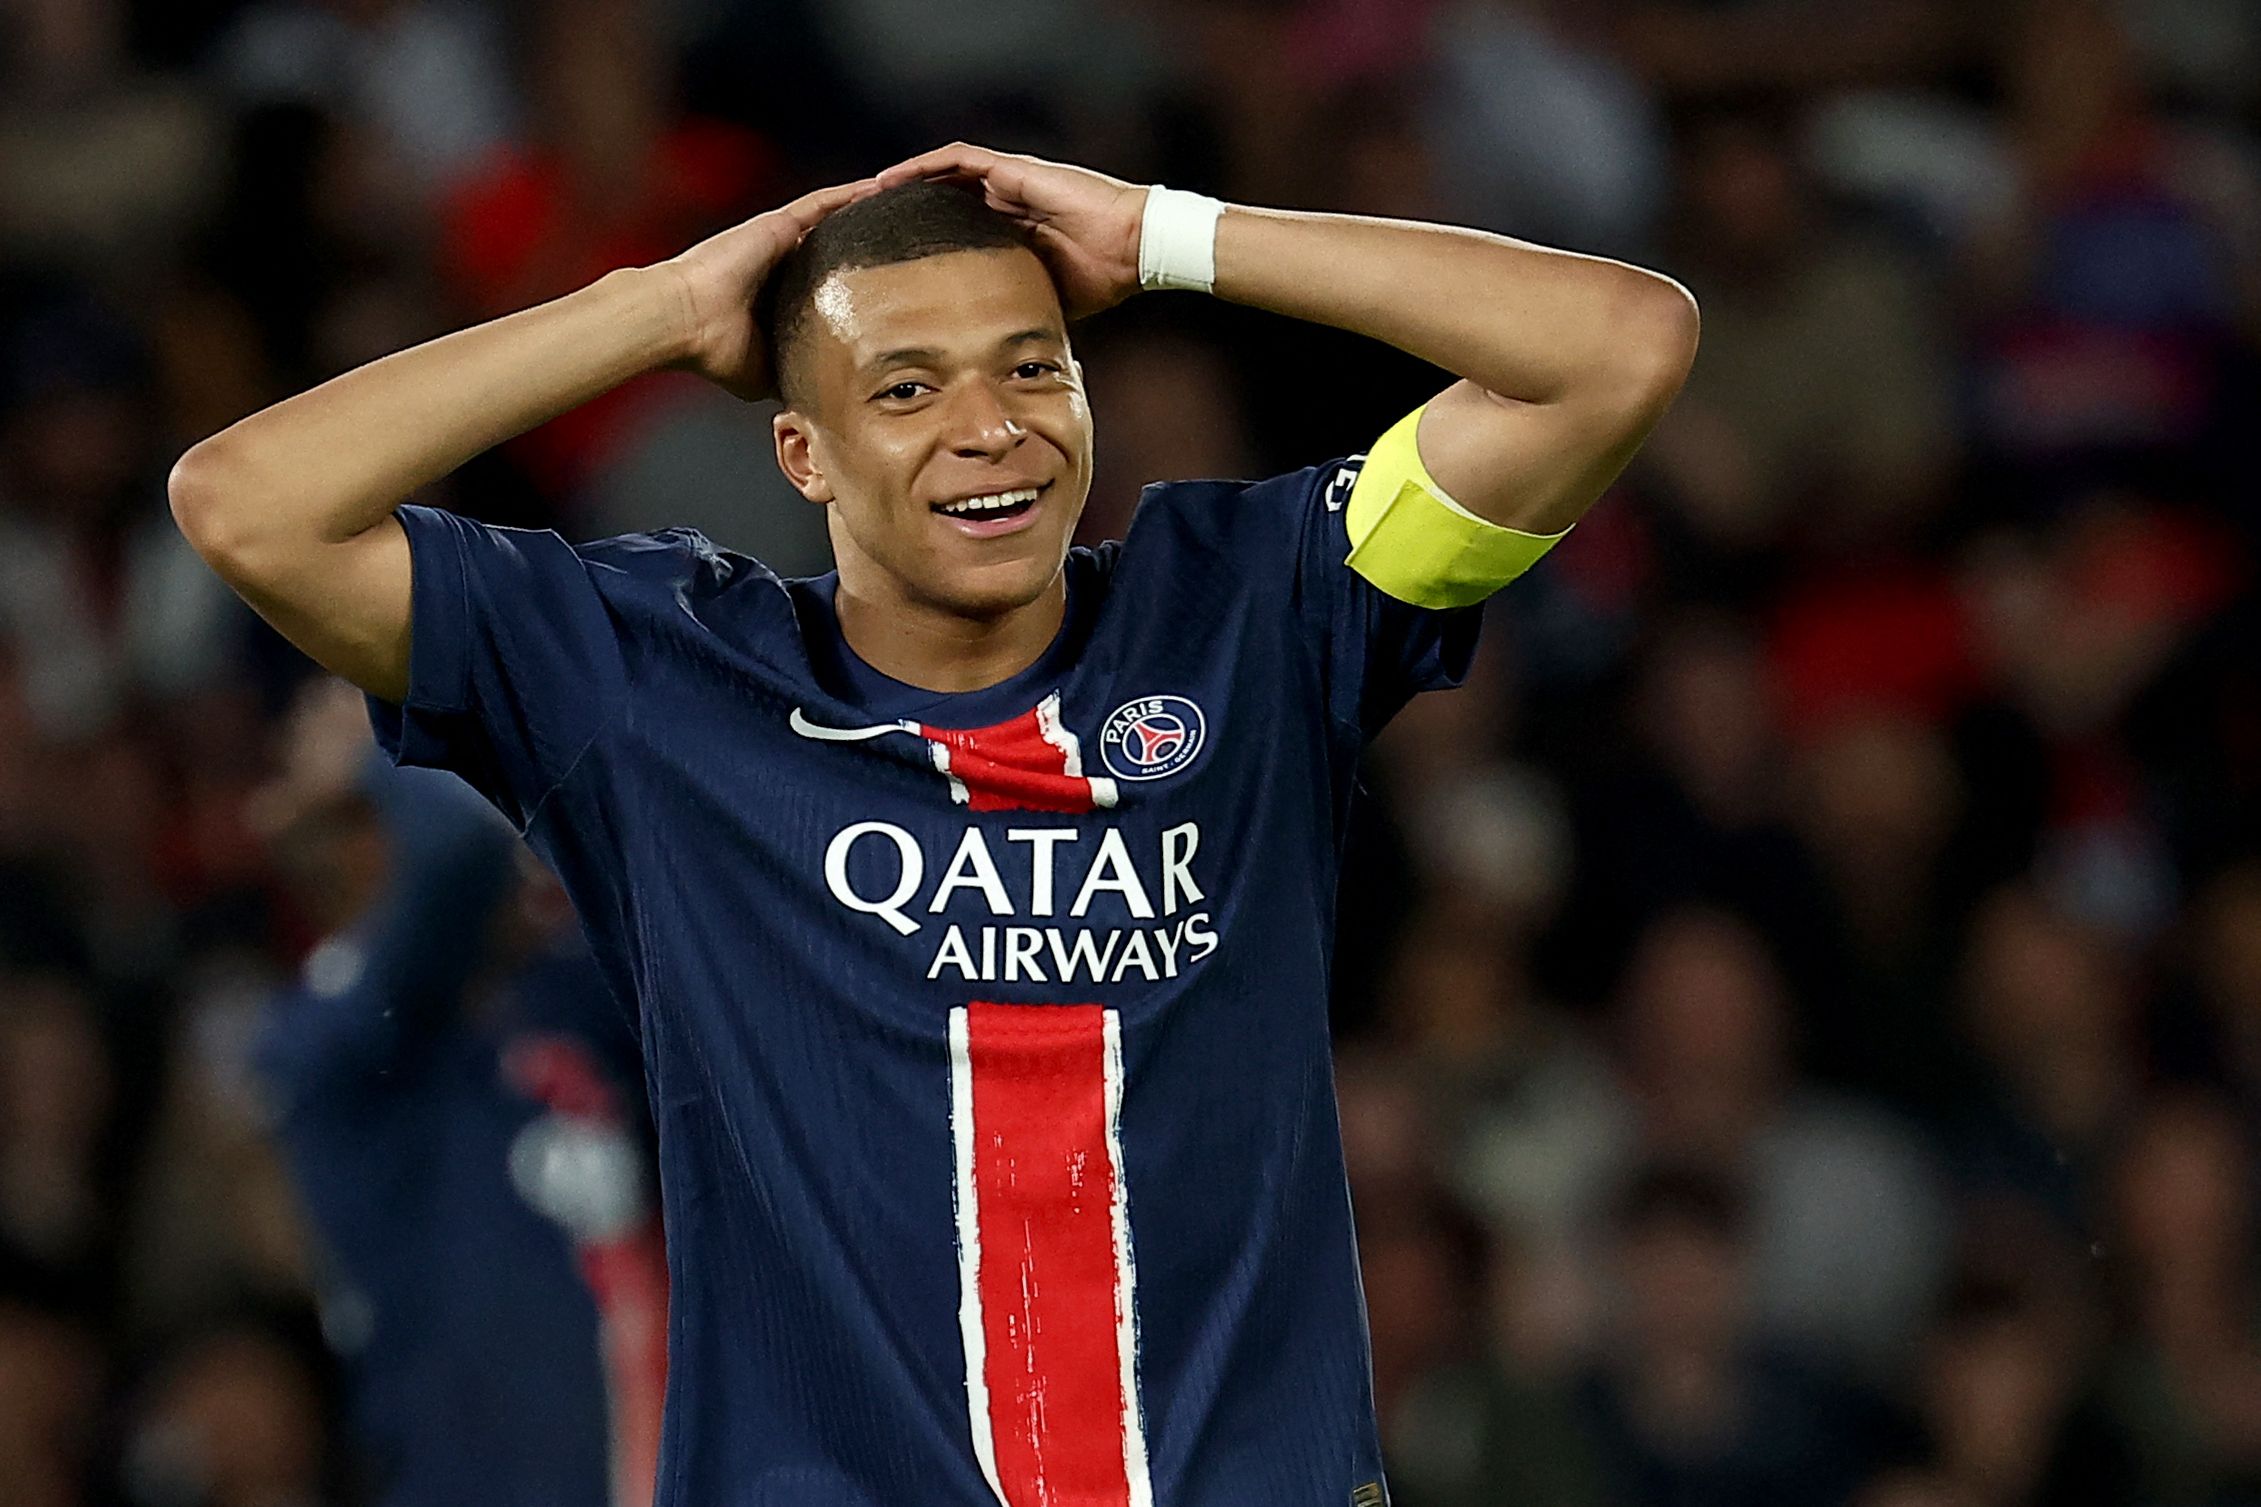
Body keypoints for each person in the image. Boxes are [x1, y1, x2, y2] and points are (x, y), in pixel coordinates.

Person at [168, 144, 1697, 1505]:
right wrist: (657, 308)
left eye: (1034, 369)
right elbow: (250, 500)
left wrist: (1170, 233)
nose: (991, 429)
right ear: (801, 452)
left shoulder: (1256, 609)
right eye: (905, 388)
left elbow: (1620, 348)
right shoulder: (650, 686)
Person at [252, 676, 664, 1507]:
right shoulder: (326, 1050)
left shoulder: (553, 1009)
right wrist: (377, 744)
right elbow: (459, 853)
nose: (515, 849)